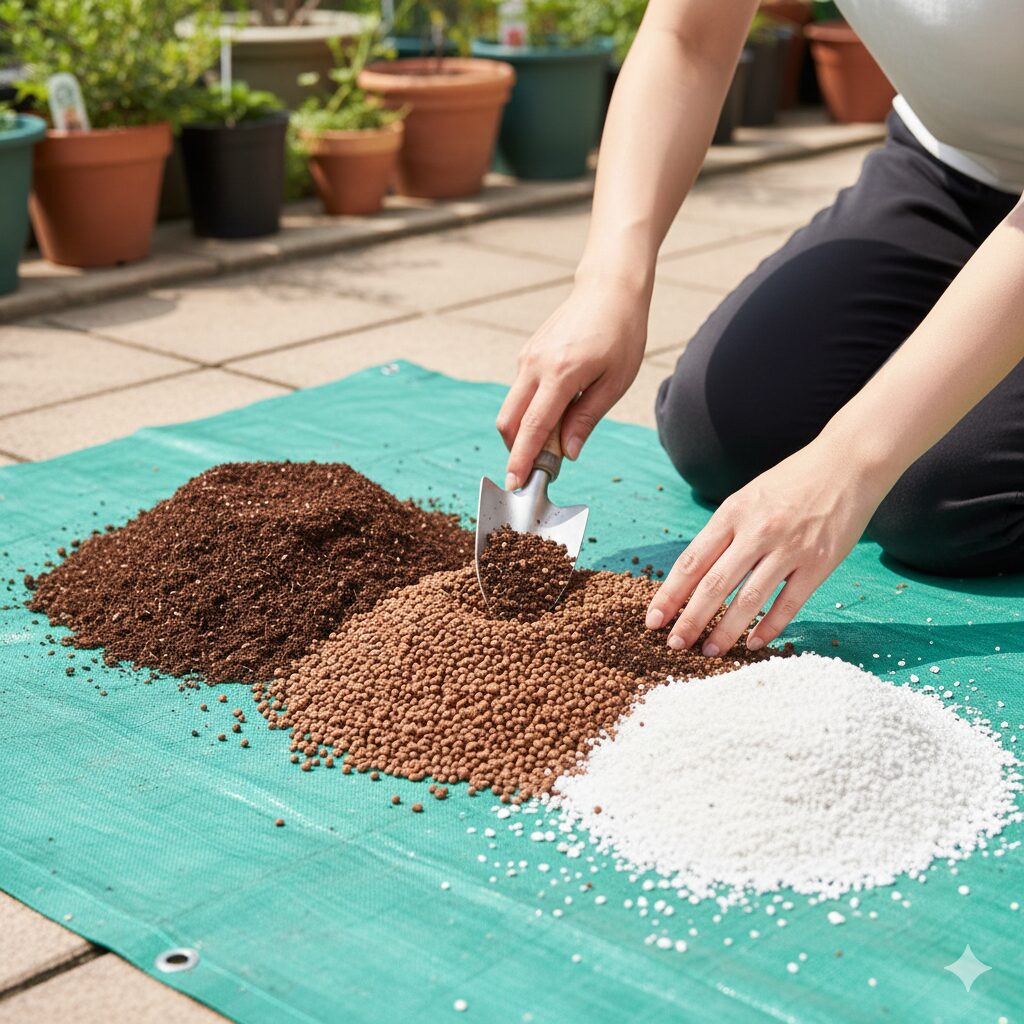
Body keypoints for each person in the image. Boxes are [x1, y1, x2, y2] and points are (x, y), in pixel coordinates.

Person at [496, 0, 1024, 658]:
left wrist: (850, 462)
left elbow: (861, 463)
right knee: (722, 427)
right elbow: (688, 39)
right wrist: (610, 283)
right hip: (953, 168)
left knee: (942, 501)